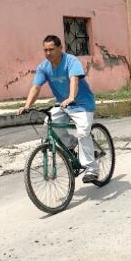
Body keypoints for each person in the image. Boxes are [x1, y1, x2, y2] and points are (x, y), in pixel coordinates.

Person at [17, 35, 99, 183]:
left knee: (83, 132)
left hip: (82, 104)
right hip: (63, 105)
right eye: (45, 50)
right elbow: (36, 87)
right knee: (49, 124)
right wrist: (27, 105)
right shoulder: (44, 67)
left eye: (52, 49)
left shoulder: (71, 61)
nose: (48, 53)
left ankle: (92, 169)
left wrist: (71, 97)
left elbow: (74, 79)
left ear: (60, 48)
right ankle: (71, 144)